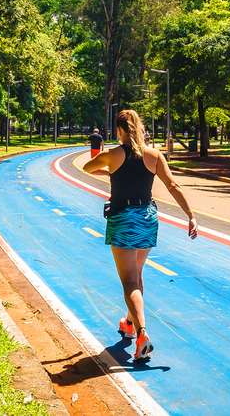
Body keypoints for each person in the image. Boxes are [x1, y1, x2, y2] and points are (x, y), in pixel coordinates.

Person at [83, 109, 198, 363]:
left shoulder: (113, 155)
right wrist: (190, 215)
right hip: (147, 219)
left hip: (123, 219)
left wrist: (109, 168)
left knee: (130, 282)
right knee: (137, 275)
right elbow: (173, 185)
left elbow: (88, 167)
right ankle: (127, 323)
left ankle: (142, 334)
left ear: (120, 130)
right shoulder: (154, 156)